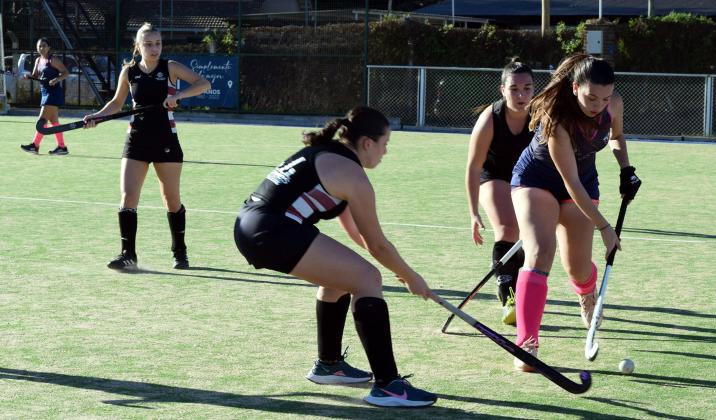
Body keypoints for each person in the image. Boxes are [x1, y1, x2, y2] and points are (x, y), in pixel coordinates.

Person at [233, 107, 438, 408]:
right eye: (385, 144)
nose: (385, 152)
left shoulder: (326, 152)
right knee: (368, 279)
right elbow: (377, 244)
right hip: (272, 230)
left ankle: (329, 365)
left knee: (345, 276)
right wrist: (409, 275)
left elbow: (358, 234)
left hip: (250, 225)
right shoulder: (353, 176)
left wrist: (397, 267)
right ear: (367, 143)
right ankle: (389, 386)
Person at [509, 54, 641, 372]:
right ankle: (526, 343)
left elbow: (617, 138)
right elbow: (570, 185)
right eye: (591, 97)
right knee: (540, 252)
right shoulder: (557, 117)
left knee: (578, 267)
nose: (599, 104)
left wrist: (626, 169)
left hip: (584, 180)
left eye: (606, 97)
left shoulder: (614, 104)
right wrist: (605, 228)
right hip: (536, 179)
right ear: (575, 87)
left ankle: (586, 292)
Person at [82, 23, 210, 270]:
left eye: (158, 43)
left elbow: (204, 84)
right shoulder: (129, 71)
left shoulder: (170, 67)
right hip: (137, 139)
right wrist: (96, 117)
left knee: (171, 200)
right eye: (149, 44)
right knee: (128, 196)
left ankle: (179, 251)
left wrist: (177, 96)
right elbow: (117, 103)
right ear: (138, 46)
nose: (154, 49)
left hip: (165, 140)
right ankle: (128, 254)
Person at [465, 59, 534, 325]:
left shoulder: (539, 117)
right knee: (507, 229)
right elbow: (472, 168)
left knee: (530, 236)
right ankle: (507, 297)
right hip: (494, 177)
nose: (521, 95)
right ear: (502, 89)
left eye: (527, 89)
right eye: (514, 89)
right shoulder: (490, 119)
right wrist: (472, 212)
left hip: (527, 179)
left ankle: (521, 289)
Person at [20, 38, 70, 155]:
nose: (41, 48)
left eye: (44, 46)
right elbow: (35, 75)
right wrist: (28, 76)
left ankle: (35, 145)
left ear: (49, 48)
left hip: (53, 93)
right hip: (44, 92)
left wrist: (57, 79)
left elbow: (65, 72)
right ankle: (62, 147)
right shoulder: (38, 60)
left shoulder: (53, 60)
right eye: (39, 46)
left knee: (41, 121)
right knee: (54, 122)